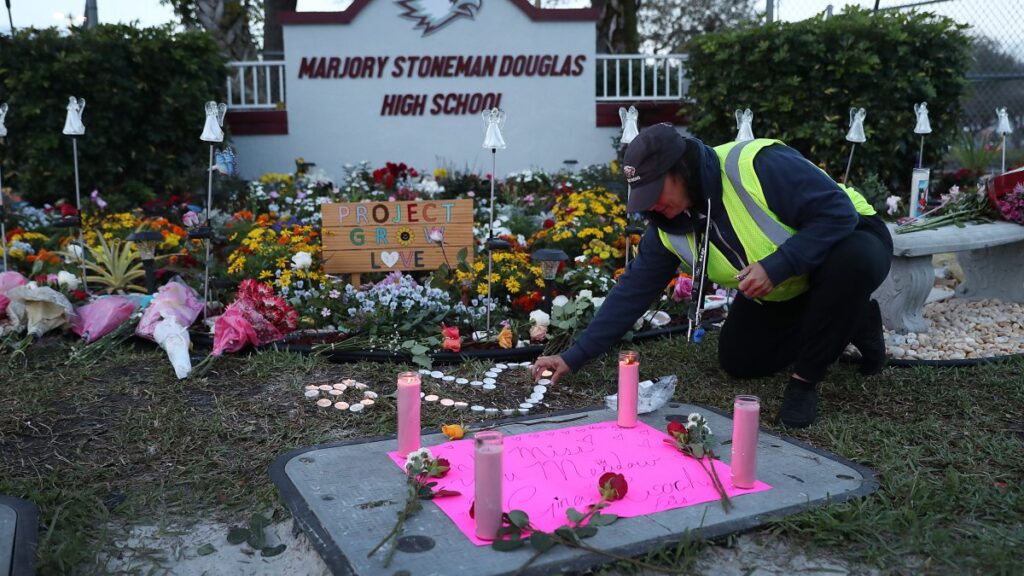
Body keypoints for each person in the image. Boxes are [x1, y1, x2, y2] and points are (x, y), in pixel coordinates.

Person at [531, 123, 893, 428]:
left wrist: (776, 267)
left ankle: (805, 382)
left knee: (851, 263)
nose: (653, 205)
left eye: (657, 192)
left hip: (850, 240)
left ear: (681, 170)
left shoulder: (756, 165)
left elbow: (838, 214)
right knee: (740, 360)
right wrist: (573, 356)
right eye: (643, 197)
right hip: (789, 287)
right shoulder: (667, 226)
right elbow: (633, 291)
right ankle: (854, 318)